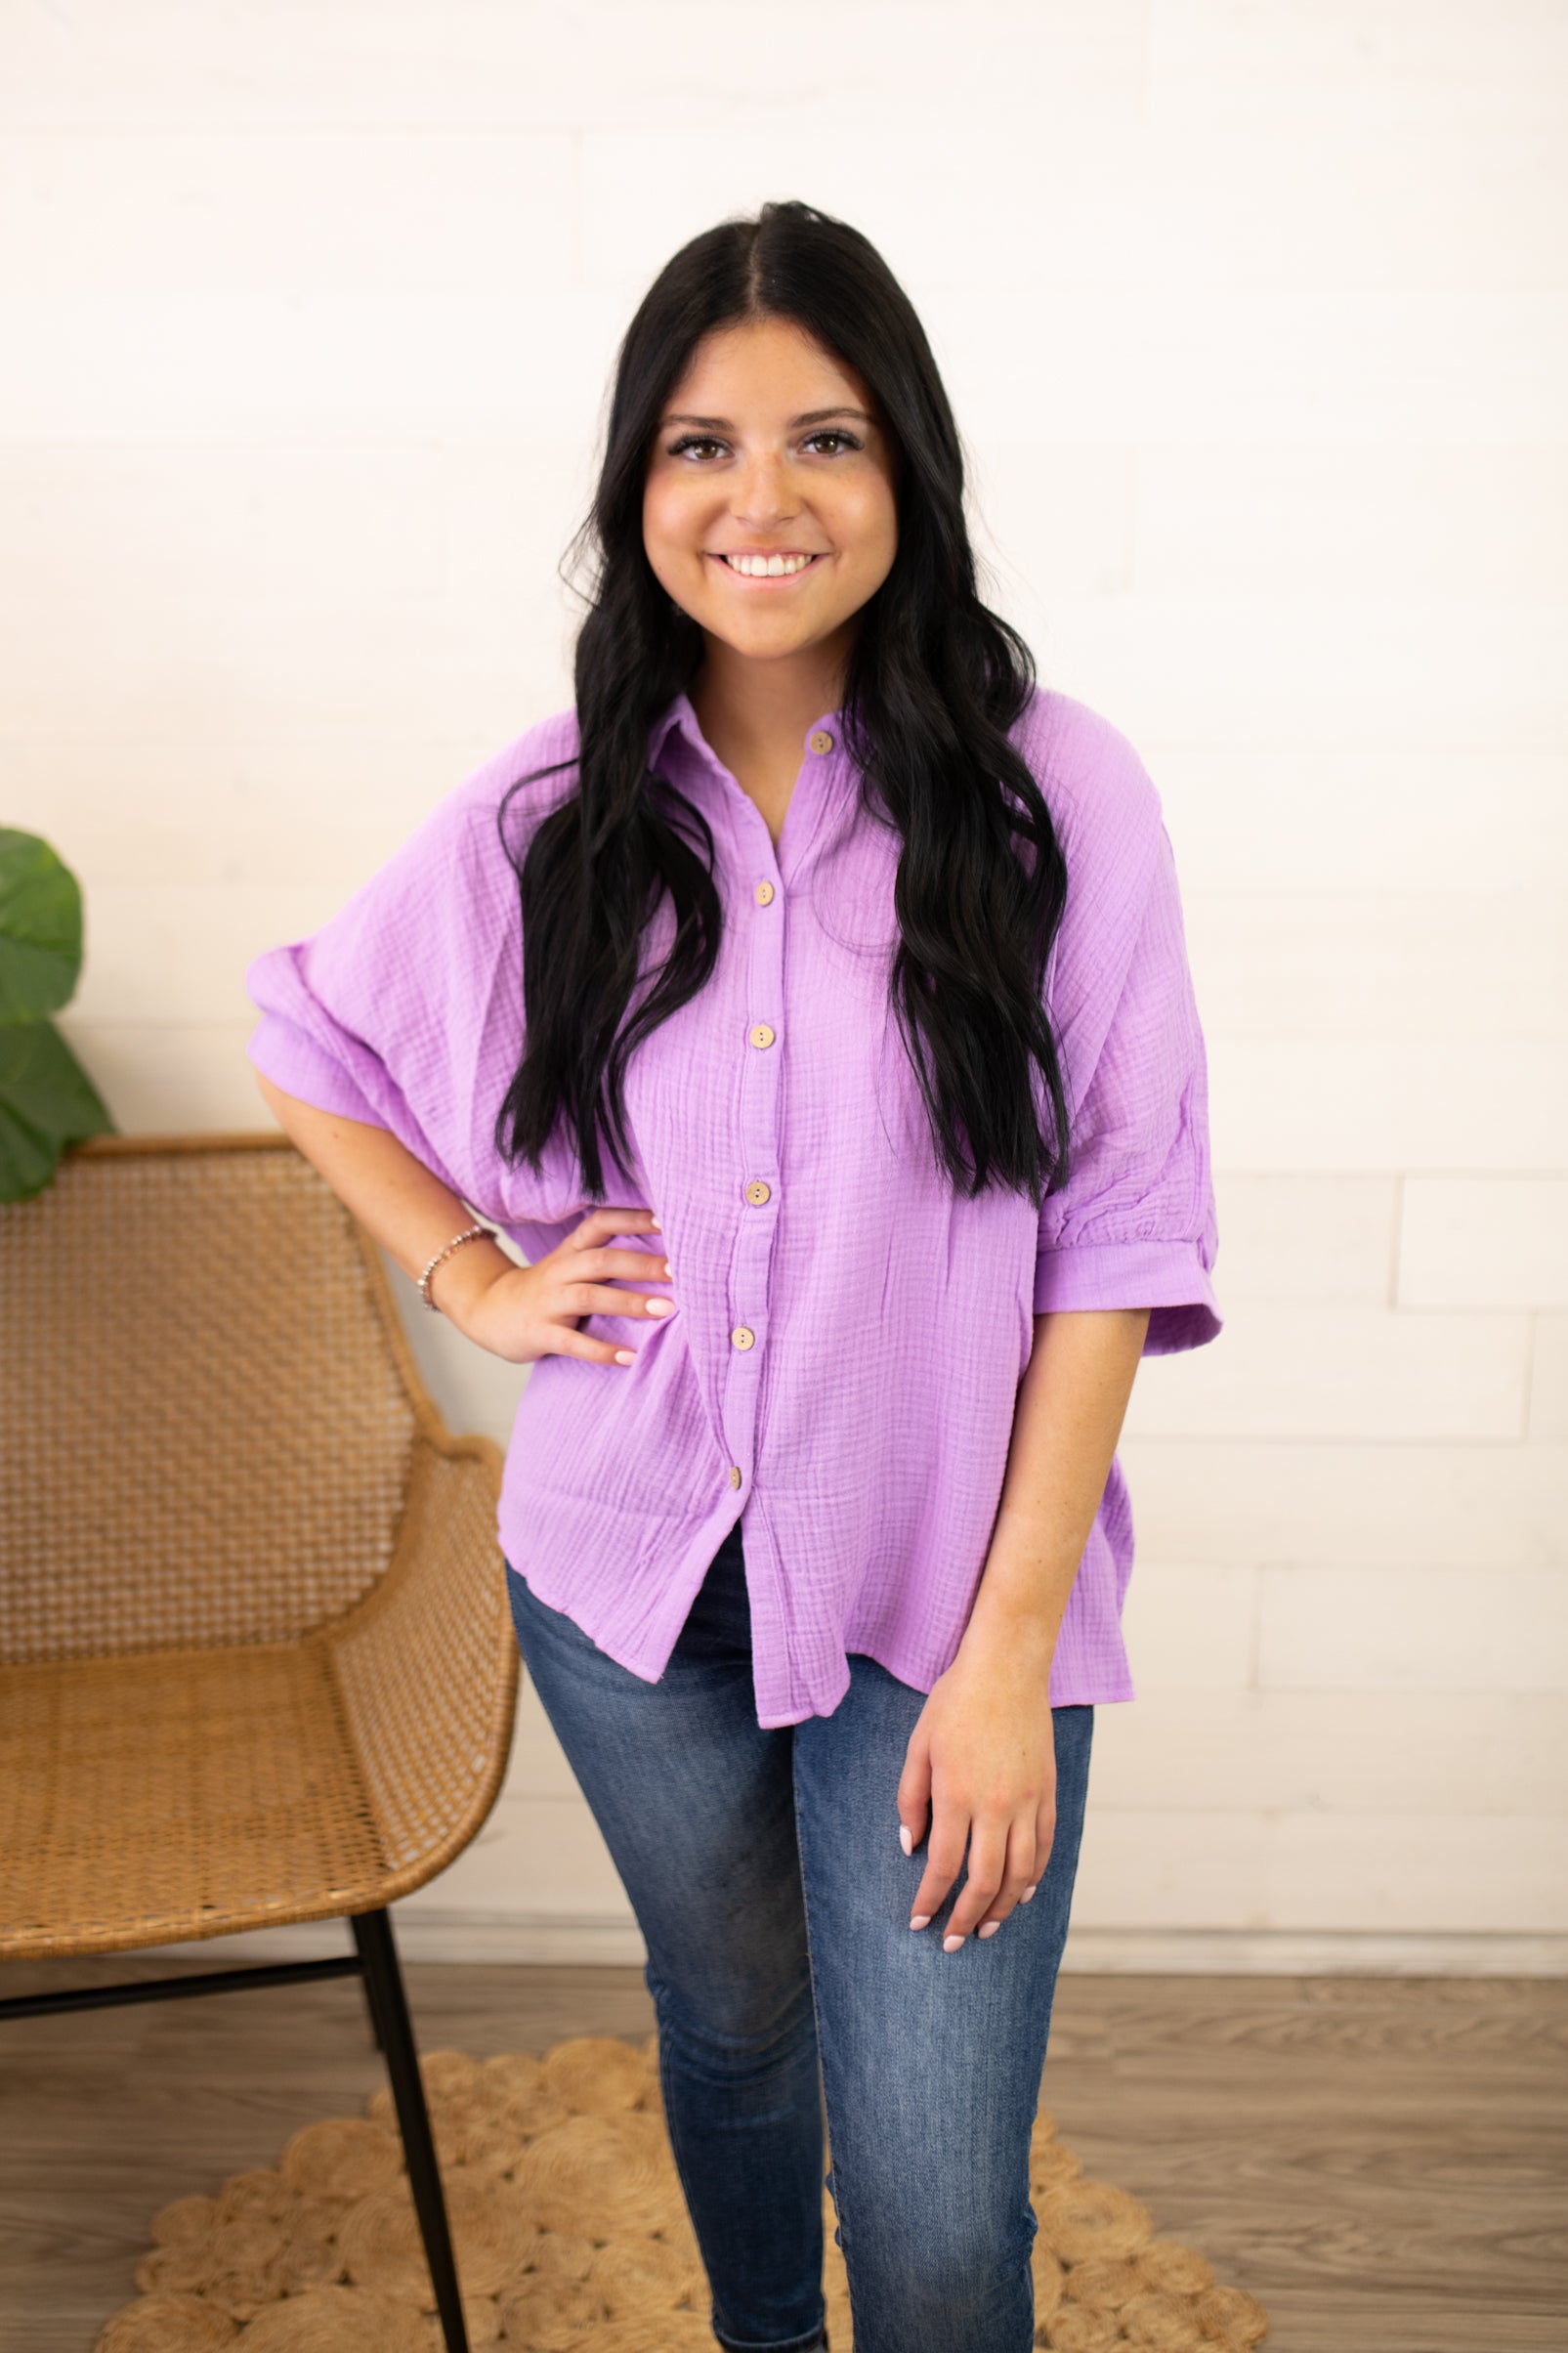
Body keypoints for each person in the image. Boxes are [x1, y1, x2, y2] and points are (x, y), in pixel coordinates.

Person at [246, 197, 1222, 2353]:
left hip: (939, 1596)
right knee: (733, 2031)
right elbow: (306, 1039)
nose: (757, 499)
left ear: (908, 475)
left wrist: (1004, 1662)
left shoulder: (1058, 797)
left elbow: (1116, 1241)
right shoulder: (549, 809)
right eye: (699, 446)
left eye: (822, 439)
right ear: (636, 487)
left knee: (950, 2218)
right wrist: (473, 1279)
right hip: (630, 1574)